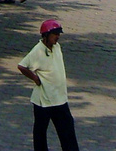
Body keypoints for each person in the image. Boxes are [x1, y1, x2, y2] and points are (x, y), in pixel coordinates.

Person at [17, 18, 79, 151]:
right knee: (40, 133)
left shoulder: (57, 47)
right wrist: (34, 78)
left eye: (58, 34)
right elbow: (22, 66)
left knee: (67, 131)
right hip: (43, 101)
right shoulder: (38, 51)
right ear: (46, 35)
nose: (57, 37)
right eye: (55, 34)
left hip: (60, 98)